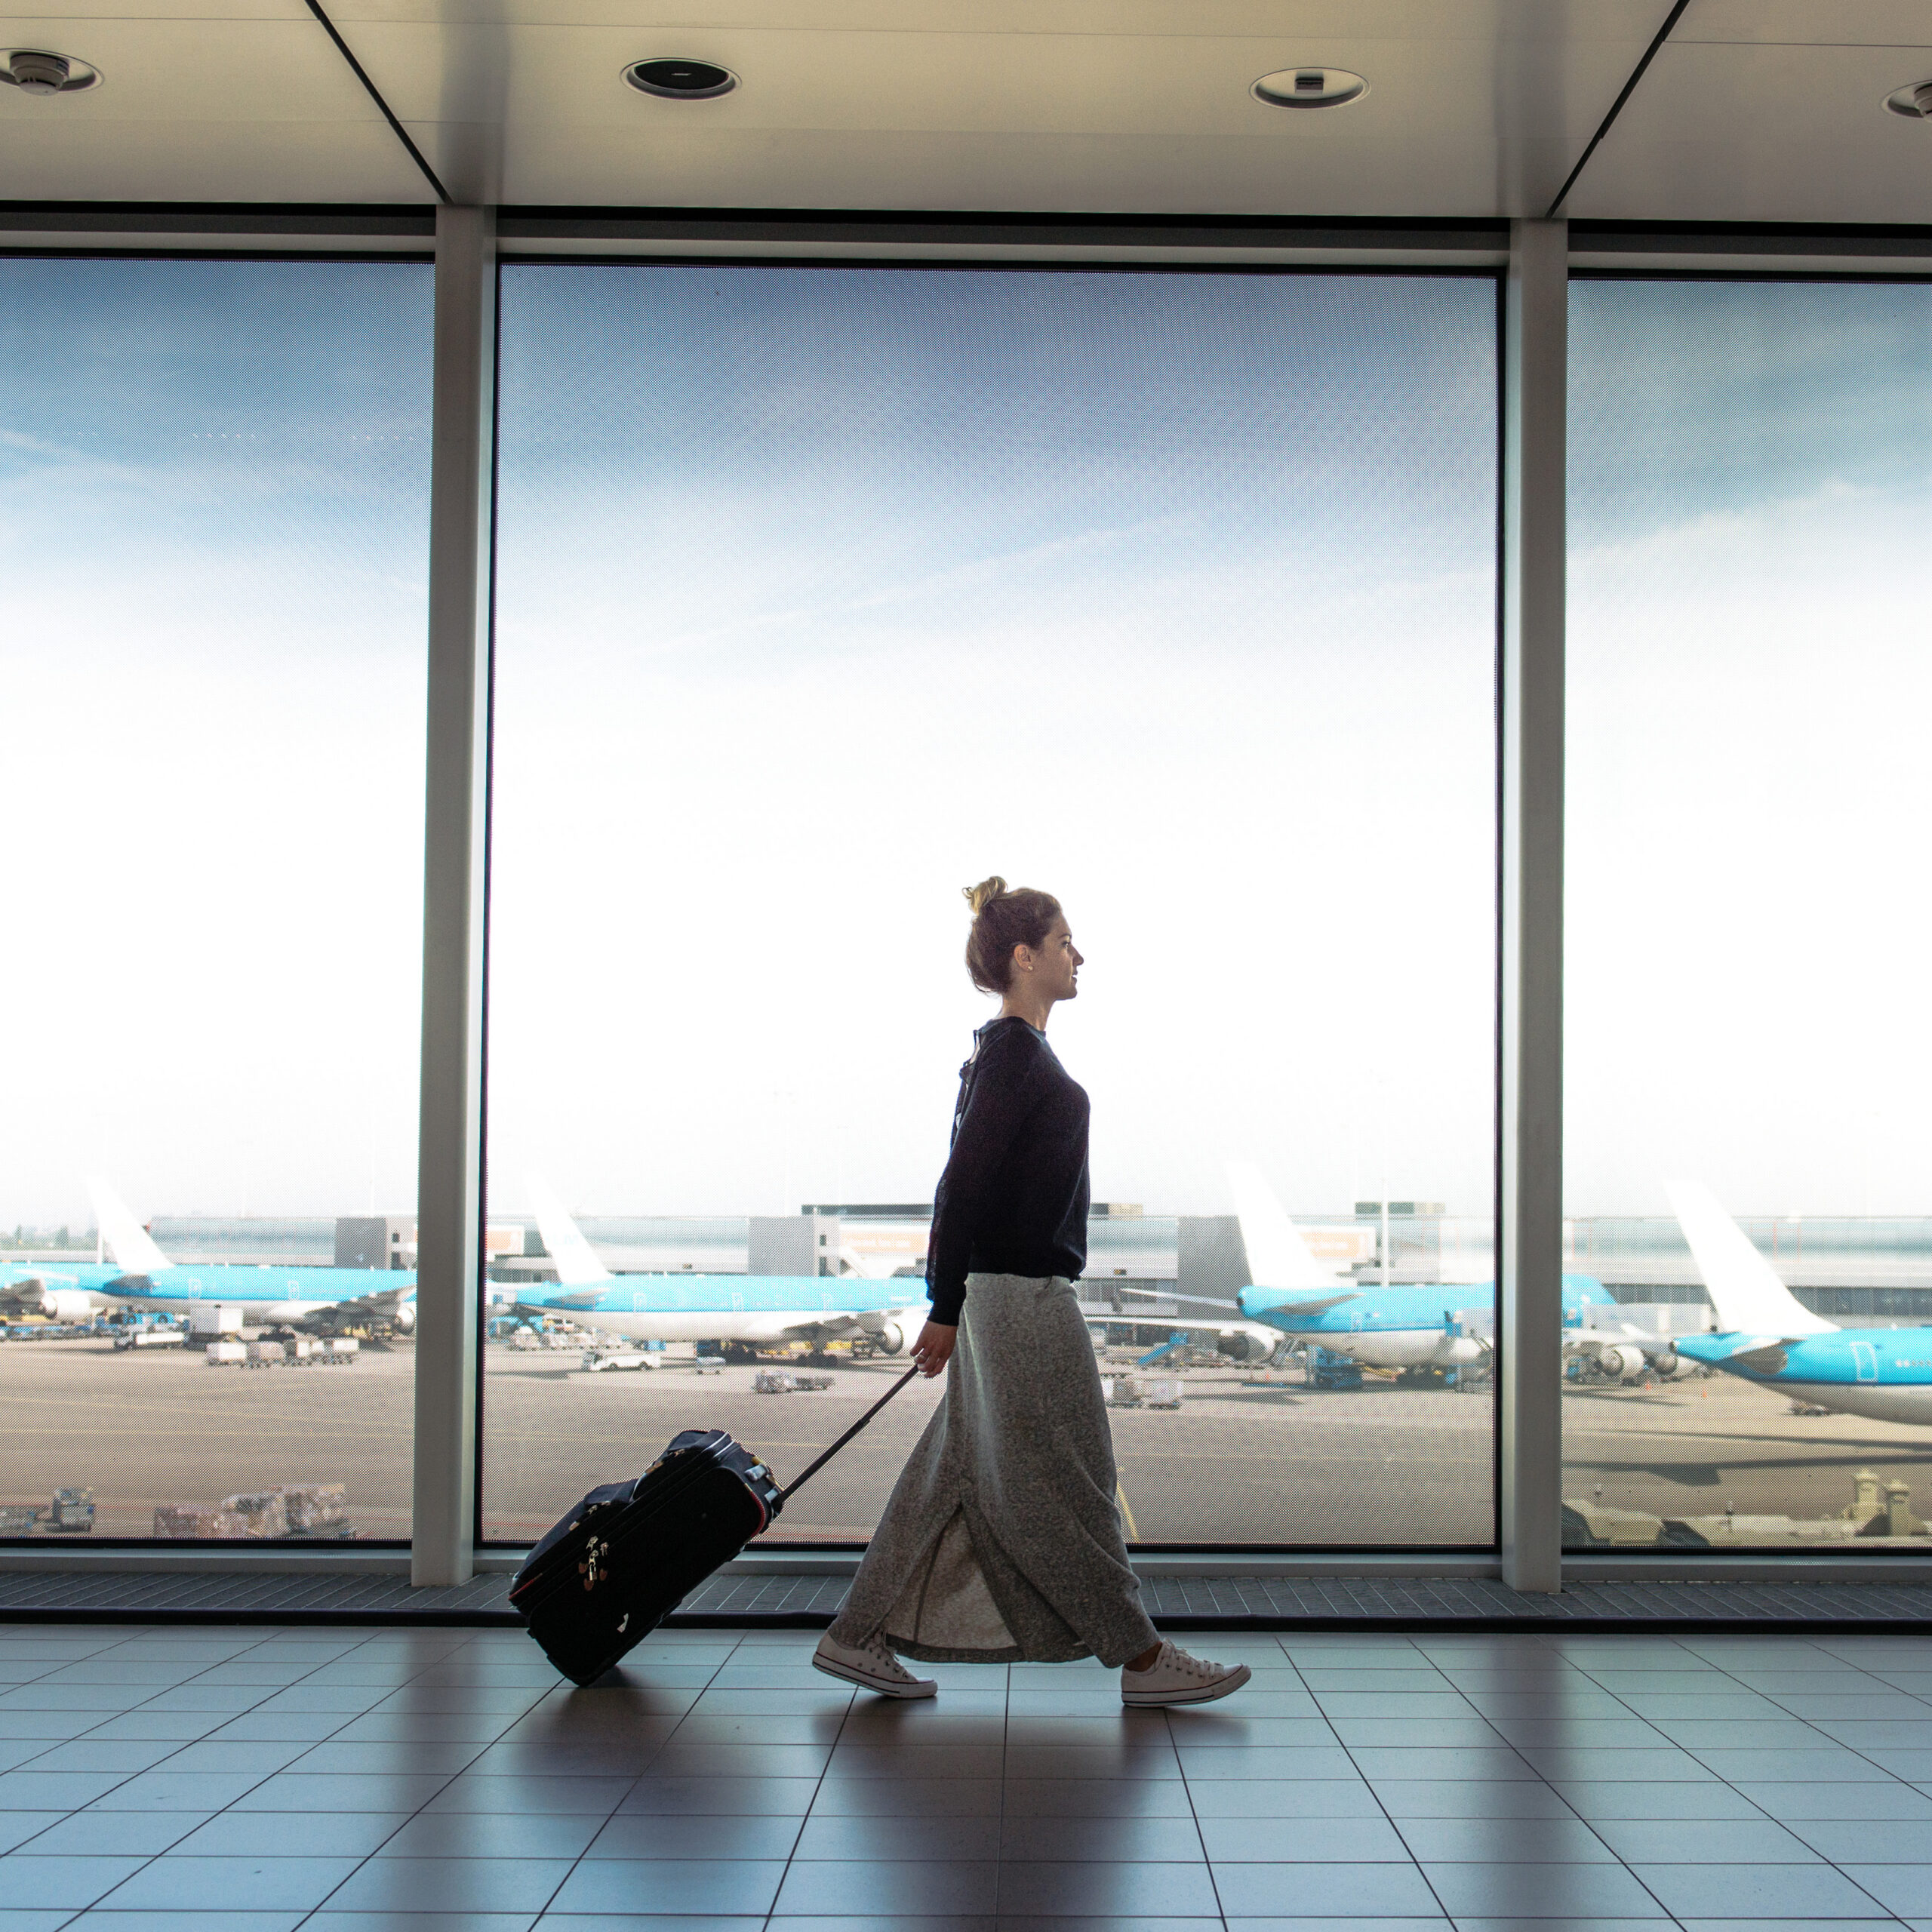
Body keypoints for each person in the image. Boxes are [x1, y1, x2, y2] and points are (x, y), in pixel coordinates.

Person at [813, 877, 1250, 1707]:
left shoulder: (1014, 1052)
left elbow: (970, 1185)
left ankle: (853, 1635)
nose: (1078, 955)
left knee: (954, 1473)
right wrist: (944, 1307)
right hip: (1017, 1297)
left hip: (1009, 1293)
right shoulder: (1012, 1052)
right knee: (1069, 1474)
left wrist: (953, 1302)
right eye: (1063, 942)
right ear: (1023, 955)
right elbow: (962, 1184)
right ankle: (1141, 1658)